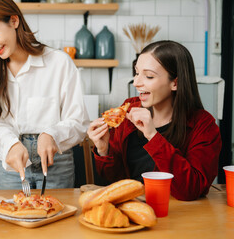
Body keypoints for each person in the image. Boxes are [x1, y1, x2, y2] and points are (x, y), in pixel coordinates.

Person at [0, 0, 89, 189]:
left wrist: (52, 134)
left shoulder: (59, 63)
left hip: (57, 164)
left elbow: (79, 121)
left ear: (14, 21)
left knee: (58, 217)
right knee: (11, 216)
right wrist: (10, 145)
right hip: (11, 165)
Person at [87, 40, 222, 201]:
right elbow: (114, 181)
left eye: (149, 76)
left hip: (178, 214)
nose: (137, 83)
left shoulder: (203, 125)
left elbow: (192, 189)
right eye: (136, 73)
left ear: (175, 83)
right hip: (133, 209)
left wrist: (153, 136)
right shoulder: (128, 110)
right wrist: (104, 150)